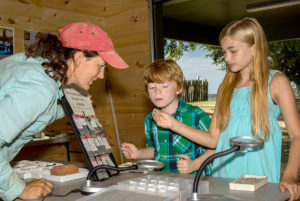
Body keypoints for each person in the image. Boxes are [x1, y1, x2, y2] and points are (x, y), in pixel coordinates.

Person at [151, 17, 300, 201]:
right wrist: (173, 124)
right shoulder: (225, 88)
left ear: (254, 48)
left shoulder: (276, 82)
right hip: (222, 180)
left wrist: (290, 175)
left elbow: (296, 136)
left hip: (260, 180)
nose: (227, 58)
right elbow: (213, 140)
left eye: (233, 51)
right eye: (224, 52)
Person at [0, 21, 128, 201]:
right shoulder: (41, 86)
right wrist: (18, 189)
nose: (101, 75)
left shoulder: (40, 70)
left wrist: (67, 108)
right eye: (100, 66)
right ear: (79, 58)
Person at [121, 59, 214, 175]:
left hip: (196, 183)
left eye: (164, 86)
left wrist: (195, 164)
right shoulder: (150, 120)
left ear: (179, 88)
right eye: (152, 87)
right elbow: (155, 150)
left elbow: (217, 146)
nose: (157, 92)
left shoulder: (196, 115)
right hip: (164, 182)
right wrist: (138, 153)